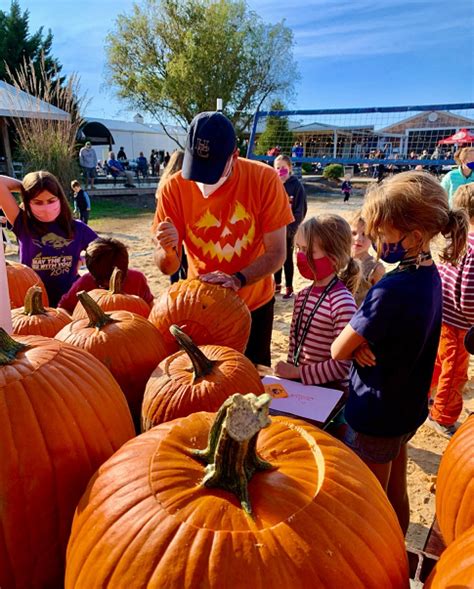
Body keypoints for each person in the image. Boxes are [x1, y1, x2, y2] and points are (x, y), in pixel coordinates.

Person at [331, 171, 468, 534]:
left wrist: (357, 344)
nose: (376, 240)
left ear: (415, 236)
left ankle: (382, 555)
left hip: (376, 412)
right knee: (396, 492)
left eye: (383, 232)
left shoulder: (388, 290)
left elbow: (337, 349)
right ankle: (396, 542)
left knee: (371, 503)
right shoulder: (431, 276)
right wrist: (364, 342)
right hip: (407, 407)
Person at [153, 111, 293, 367]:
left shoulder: (264, 180)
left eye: (213, 171)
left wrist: (238, 279)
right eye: (198, 170)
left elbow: (277, 253)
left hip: (254, 303)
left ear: (234, 157)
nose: (204, 181)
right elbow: (167, 267)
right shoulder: (173, 189)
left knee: (252, 375)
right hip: (202, 307)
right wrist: (168, 250)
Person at [274, 215, 360, 395]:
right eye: (298, 248)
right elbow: (294, 346)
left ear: (333, 257)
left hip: (329, 393)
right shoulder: (302, 296)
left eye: (308, 251)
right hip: (301, 388)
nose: (300, 256)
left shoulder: (342, 303)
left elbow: (342, 366)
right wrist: (291, 372)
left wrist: (297, 373)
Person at [0, 171, 98, 306]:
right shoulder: (22, 224)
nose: (46, 207)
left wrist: (82, 260)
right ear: (28, 202)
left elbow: (103, 252)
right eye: (38, 202)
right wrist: (28, 187)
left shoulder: (77, 228)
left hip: (69, 302)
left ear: (60, 199)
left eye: (51, 201)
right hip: (34, 304)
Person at [428, 184, 474, 437]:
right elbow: (467, 290)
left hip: (443, 314)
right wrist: (472, 319)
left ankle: (425, 396)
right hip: (460, 323)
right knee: (455, 372)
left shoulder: (458, 238)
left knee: (439, 362)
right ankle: (443, 416)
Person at [58, 237, 154, 313]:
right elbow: (63, 309)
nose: (108, 283)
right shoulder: (84, 283)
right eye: (101, 281)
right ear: (92, 273)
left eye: (115, 278)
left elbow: (150, 306)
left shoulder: (137, 279)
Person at [273, 154, 307, 299]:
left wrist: (292, 228)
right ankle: (277, 284)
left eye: (283, 168)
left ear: (290, 168)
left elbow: (301, 209)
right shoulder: (273, 183)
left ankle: (289, 287)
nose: (280, 171)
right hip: (274, 228)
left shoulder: (296, 185)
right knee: (275, 257)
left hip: (289, 229)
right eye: (277, 168)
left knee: (287, 258)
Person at [157, 150, 187, 284]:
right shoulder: (177, 183)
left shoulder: (164, 182)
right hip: (179, 224)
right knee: (183, 261)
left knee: (172, 256)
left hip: (166, 224)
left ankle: (174, 285)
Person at [350, 210, 385, 306]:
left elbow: (379, 299)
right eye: (354, 233)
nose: (358, 239)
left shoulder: (375, 268)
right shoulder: (341, 260)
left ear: (373, 237)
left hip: (360, 316)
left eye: (364, 234)